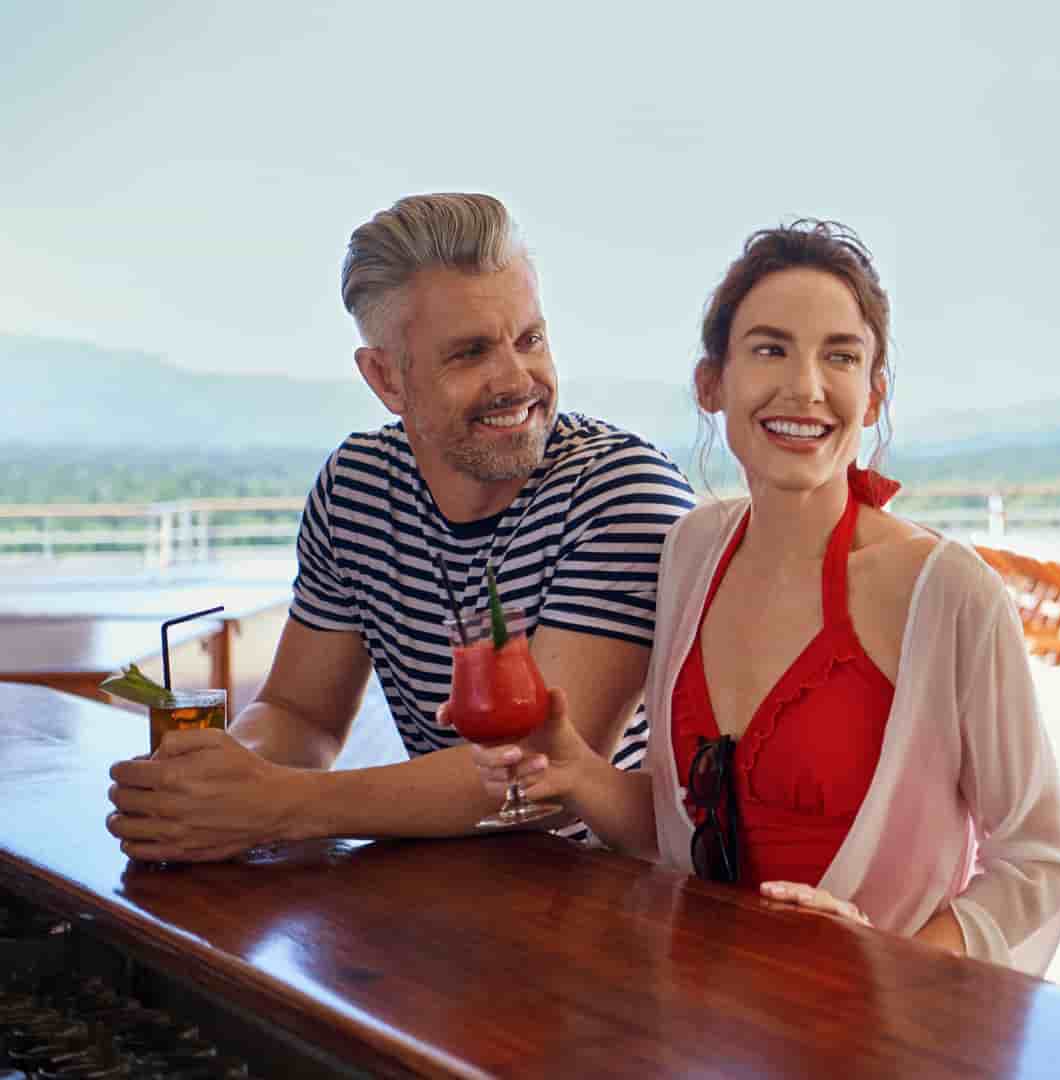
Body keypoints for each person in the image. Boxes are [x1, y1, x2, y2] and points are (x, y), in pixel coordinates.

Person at [468, 220, 1060, 973]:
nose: (806, 387)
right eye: (770, 349)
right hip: (704, 1029)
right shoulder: (692, 552)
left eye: (841, 356)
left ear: (874, 390)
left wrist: (895, 965)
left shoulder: (946, 590)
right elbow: (683, 834)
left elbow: (1040, 860)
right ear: (711, 384)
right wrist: (571, 766)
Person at [106, 193, 695, 861]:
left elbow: (541, 780)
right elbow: (301, 714)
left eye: (530, 339)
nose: (517, 378)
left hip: (614, 898)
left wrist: (275, 805)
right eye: (471, 353)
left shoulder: (620, 490)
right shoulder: (356, 487)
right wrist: (222, 776)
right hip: (444, 890)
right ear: (385, 377)